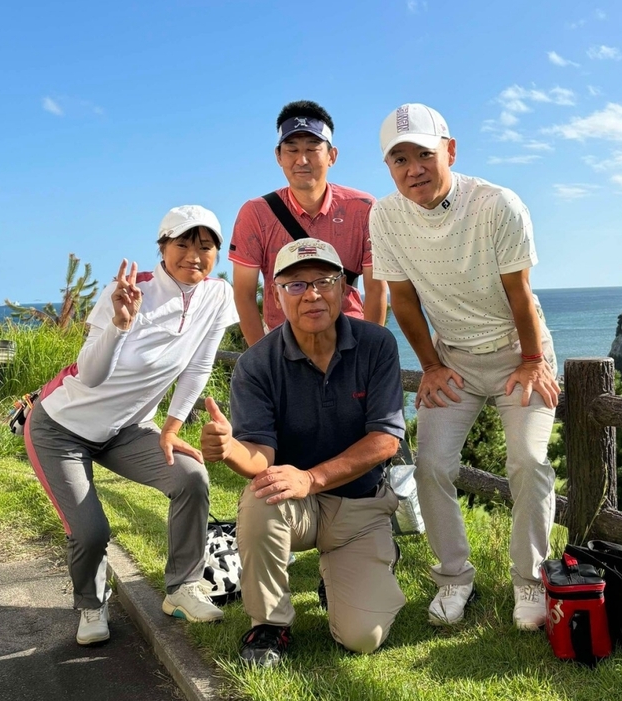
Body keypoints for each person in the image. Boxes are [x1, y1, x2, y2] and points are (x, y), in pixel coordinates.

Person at [368, 104, 561, 631]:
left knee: (527, 461)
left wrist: (532, 360)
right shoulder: (385, 215)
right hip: (452, 356)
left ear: (449, 151)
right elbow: (403, 301)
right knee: (429, 465)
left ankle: (529, 581)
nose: (414, 169)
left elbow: (518, 292)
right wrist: (428, 366)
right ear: (389, 167)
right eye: (399, 159)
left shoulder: (498, 204)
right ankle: (454, 577)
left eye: (424, 155)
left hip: (517, 351)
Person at [25, 205, 239, 646]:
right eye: (183, 243)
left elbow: (198, 365)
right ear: (162, 247)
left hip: (125, 428)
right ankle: (90, 604)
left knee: (191, 477)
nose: (194, 255)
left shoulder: (218, 295)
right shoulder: (128, 291)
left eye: (206, 246)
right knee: (91, 531)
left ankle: (182, 588)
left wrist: (171, 427)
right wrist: (120, 327)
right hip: (61, 428)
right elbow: (91, 374)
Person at [201, 238, 406, 667]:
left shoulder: (377, 344)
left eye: (324, 281)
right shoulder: (257, 364)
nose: (311, 294)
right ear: (275, 295)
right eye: (295, 285)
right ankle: (270, 626)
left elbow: (386, 439)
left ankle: (348, 575)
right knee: (261, 496)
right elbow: (260, 456)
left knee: (362, 638)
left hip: (360, 507)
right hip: (296, 506)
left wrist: (312, 477)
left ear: (344, 289)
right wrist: (230, 449)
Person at [228, 100, 387, 346]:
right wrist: (262, 359)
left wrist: (369, 352)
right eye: (291, 149)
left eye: (313, 148)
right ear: (278, 156)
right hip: (282, 343)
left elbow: (376, 288)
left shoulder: (363, 208)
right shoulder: (255, 214)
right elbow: (244, 294)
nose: (302, 160)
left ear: (332, 155)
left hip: (349, 339)